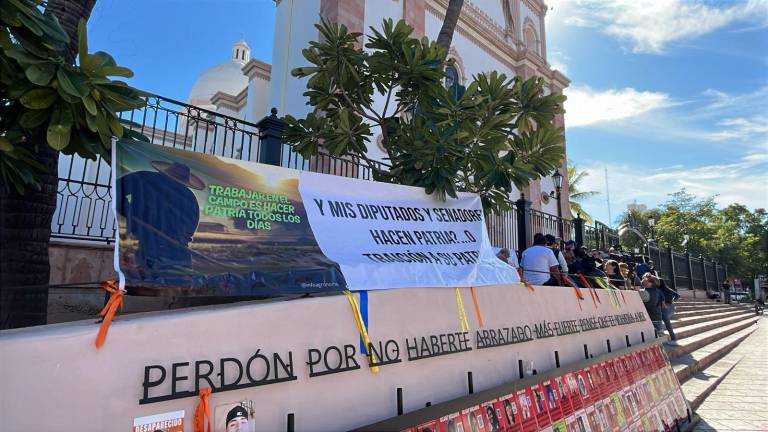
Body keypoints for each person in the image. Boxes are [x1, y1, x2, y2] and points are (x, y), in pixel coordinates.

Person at [117, 161, 204, 279]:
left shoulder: (189, 198)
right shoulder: (144, 179)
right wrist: (131, 213)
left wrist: (176, 238)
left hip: (174, 252)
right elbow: (118, 189)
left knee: (175, 287)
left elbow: (189, 228)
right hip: (147, 247)